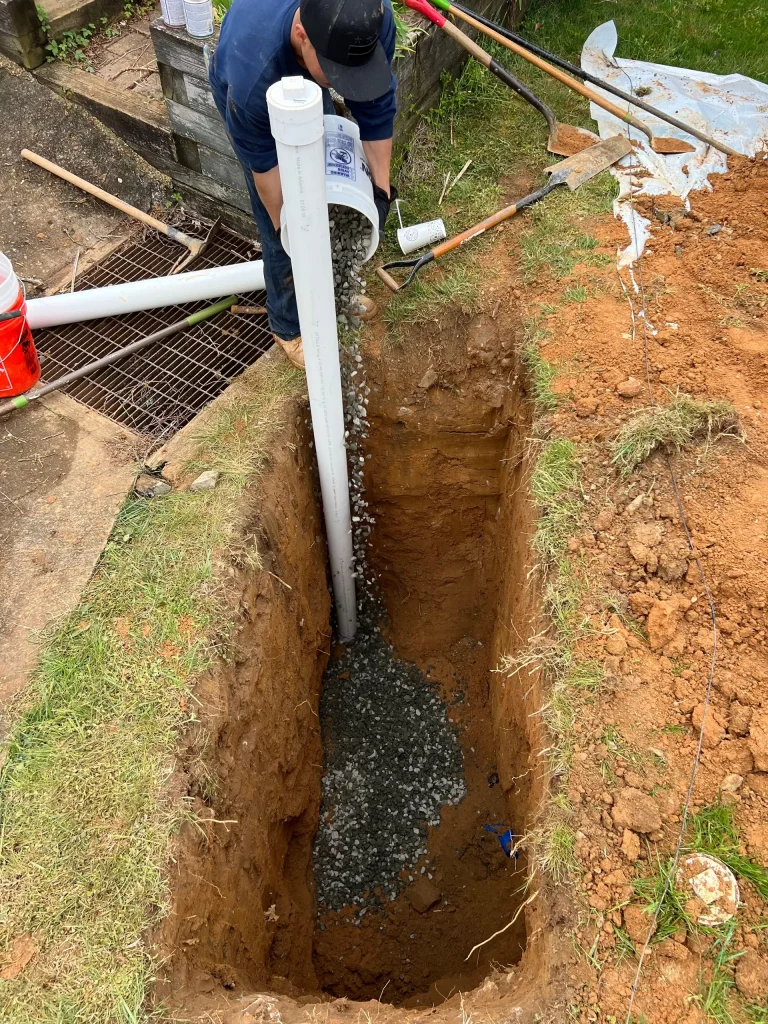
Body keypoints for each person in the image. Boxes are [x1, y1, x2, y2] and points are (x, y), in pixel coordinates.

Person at [209, 0, 398, 370]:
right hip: (250, 84)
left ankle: (334, 294)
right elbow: (272, 184)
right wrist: (293, 234)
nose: (347, 84)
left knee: (329, 191)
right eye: (338, 72)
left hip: (306, 65)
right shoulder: (251, 81)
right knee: (287, 222)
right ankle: (288, 324)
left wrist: (381, 191)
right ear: (302, 35)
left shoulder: (369, 19)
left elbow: (376, 109)